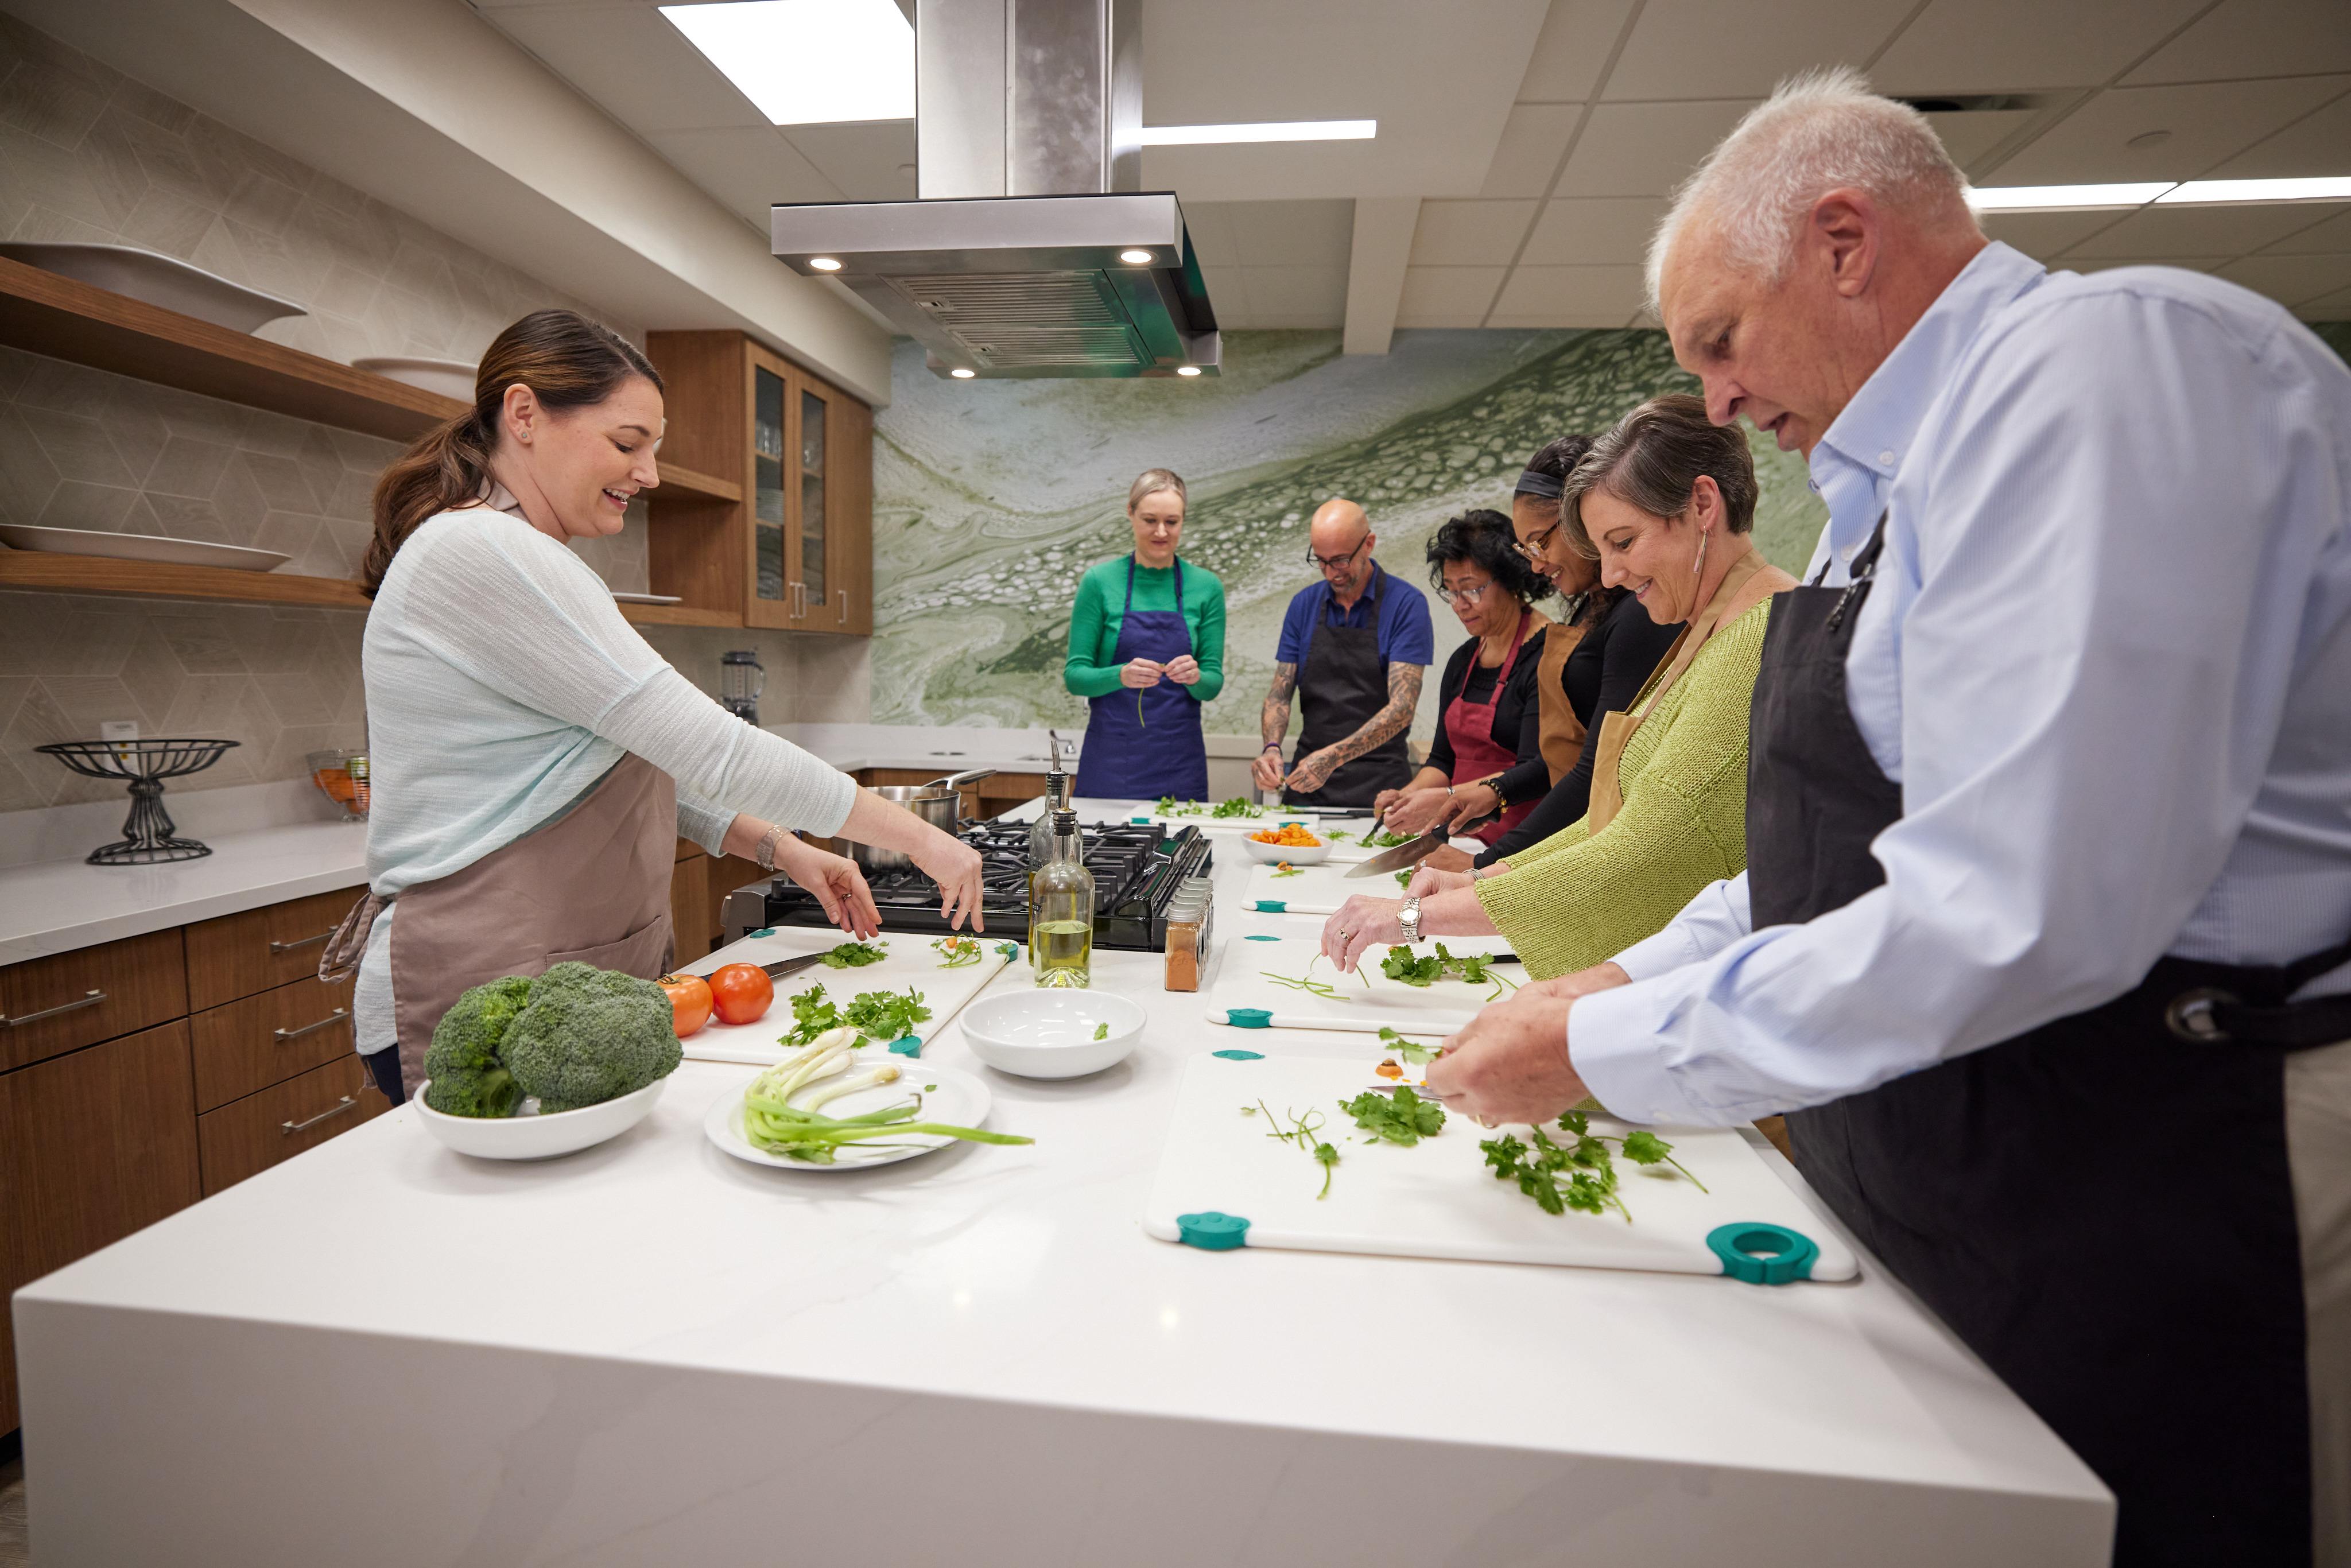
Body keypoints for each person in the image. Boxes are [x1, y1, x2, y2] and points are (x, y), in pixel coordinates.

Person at [1423, 71, 2351, 1568]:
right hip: (1971, 1153)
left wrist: (1604, 1046)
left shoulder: (2111, 370)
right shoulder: (1881, 489)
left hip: (2189, 1142)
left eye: (1721, 343)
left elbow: (2018, 900)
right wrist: (1629, 975)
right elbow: (1838, 863)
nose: (1714, 403)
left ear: (1846, 241)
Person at [332, 309, 984, 1101]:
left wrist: (780, 847)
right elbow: (717, 749)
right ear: (525, 414)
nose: (649, 474)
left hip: (564, 983)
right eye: (627, 442)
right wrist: (924, 841)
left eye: (654, 448)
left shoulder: (523, 555)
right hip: (482, 979)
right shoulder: (482, 552)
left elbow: (617, 764)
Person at [1318, 396, 1794, 980]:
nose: (1612, 573)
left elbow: (1647, 851)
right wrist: (1479, 879)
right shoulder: (1699, 630)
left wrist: (1417, 914)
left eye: (1623, 541)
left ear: (1701, 504)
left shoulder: (1757, 634)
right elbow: (1609, 821)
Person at [1478, 436, 1683, 868]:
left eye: (1540, 543)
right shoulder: (1591, 607)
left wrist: (1488, 866)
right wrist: (1494, 793)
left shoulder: (1638, 615)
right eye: (1525, 550)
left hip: (1612, 851)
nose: (1535, 564)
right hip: (1576, 839)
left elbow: (1600, 770)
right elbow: (1562, 757)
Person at [1369, 510, 1550, 849]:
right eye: (1451, 591)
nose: (1459, 605)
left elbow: (1538, 770)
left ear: (1511, 580)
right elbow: (1443, 761)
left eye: (1471, 590)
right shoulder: (1463, 660)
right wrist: (1408, 797)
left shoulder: (1548, 656)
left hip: (1523, 848)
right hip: (1463, 841)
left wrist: (1445, 797)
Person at [1251, 498, 1433, 808]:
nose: (1330, 573)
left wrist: (1333, 758)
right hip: (1308, 787)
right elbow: (1280, 693)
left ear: (1369, 544)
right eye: (1320, 560)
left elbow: (1402, 708)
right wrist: (1271, 748)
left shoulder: (1406, 605)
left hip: (1380, 791)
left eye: (1340, 560)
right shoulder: (1303, 605)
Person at [1065, 469, 1225, 801]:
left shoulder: (1206, 587)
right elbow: (1075, 677)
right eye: (1150, 520)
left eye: (1172, 521)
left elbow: (1213, 683)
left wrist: (1195, 677)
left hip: (1180, 763)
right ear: (1130, 513)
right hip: (1111, 762)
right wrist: (1120, 674)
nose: (1162, 532)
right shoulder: (1099, 582)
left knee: (1182, 853)